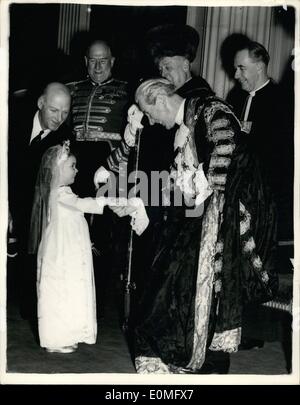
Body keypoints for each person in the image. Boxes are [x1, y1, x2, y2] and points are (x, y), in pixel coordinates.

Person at [113, 78, 278, 374]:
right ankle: (184, 354)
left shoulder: (211, 111)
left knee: (185, 279)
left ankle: (189, 355)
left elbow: (229, 154)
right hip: (199, 213)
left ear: (160, 100)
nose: (150, 120)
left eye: (149, 113)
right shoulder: (191, 116)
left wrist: (191, 186)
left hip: (221, 215)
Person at [28, 141, 147, 353]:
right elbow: (85, 204)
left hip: (69, 249)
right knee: (60, 290)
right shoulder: (60, 193)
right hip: (62, 252)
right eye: (72, 166)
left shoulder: (62, 193)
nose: (77, 170)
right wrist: (114, 201)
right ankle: (56, 337)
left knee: (69, 290)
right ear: (57, 169)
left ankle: (67, 332)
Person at [67, 40, 130, 318]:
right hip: (76, 166)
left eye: (103, 60)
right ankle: (70, 296)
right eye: (93, 60)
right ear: (85, 61)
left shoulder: (127, 91)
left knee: (104, 236)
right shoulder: (72, 89)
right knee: (70, 229)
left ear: (113, 61)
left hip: (108, 168)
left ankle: (97, 304)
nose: (98, 65)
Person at [8, 82, 73, 320]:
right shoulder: (12, 119)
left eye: (65, 112)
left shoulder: (64, 137)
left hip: (31, 202)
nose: (59, 118)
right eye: (54, 111)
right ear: (40, 103)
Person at [227, 40, 293, 241]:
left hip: (267, 195)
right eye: (235, 69)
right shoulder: (235, 97)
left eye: (241, 68)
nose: (236, 75)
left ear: (260, 67)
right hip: (238, 191)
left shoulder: (282, 99)